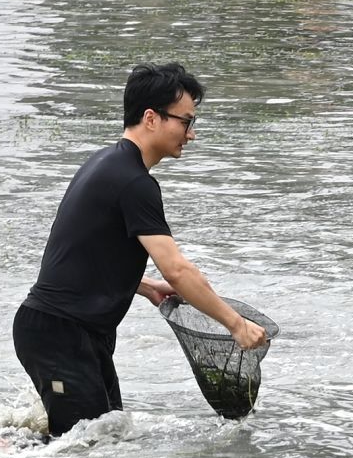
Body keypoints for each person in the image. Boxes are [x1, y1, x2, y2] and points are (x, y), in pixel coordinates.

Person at [14, 63, 268, 438]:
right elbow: (177, 270)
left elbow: (86, 250)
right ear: (151, 118)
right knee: (86, 448)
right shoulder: (134, 182)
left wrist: (145, 287)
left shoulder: (105, 163)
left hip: (74, 333)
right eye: (185, 121)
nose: (191, 134)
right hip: (59, 333)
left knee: (105, 437)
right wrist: (236, 325)